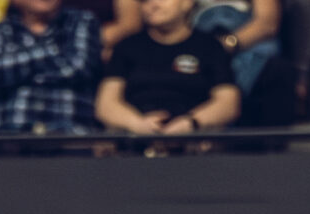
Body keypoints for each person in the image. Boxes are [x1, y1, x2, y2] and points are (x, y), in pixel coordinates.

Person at [96, 0, 237, 136]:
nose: (153, 4)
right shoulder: (127, 47)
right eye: (145, 0)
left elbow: (228, 103)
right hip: (135, 141)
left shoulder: (210, 47)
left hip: (194, 141)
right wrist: (137, 124)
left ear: (187, 3)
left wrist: (191, 123)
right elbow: (106, 104)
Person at [0, 0, 103, 134]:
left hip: (70, 133)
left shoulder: (81, 21)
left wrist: (21, 73)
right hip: (10, 134)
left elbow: (78, 67)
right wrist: (53, 51)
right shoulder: (1, 29)